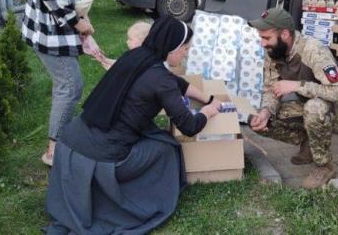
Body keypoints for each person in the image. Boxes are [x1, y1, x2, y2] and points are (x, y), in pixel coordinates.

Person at [44, 16, 221, 235]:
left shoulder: (137, 56)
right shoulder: (160, 79)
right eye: (185, 48)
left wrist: (207, 97)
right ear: (172, 48)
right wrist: (207, 111)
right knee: (166, 148)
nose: (186, 53)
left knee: (151, 135)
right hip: (101, 157)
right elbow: (189, 126)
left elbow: (178, 83)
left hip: (69, 143)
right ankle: (138, 201)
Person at [21, 0, 104, 166]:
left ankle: (57, 146)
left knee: (70, 86)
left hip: (62, 26)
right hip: (47, 30)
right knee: (70, 86)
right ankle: (53, 152)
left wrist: (83, 26)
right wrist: (77, 23)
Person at [247, 8, 338, 189]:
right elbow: (270, 90)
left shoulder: (313, 50)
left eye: (266, 38)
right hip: (308, 102)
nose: (262, 44)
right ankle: (309, 144)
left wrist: (297, 86)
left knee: (314, 109)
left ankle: (324, 166)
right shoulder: (274, 51)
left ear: (285, 34)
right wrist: (265, 112)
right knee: (259, 121)